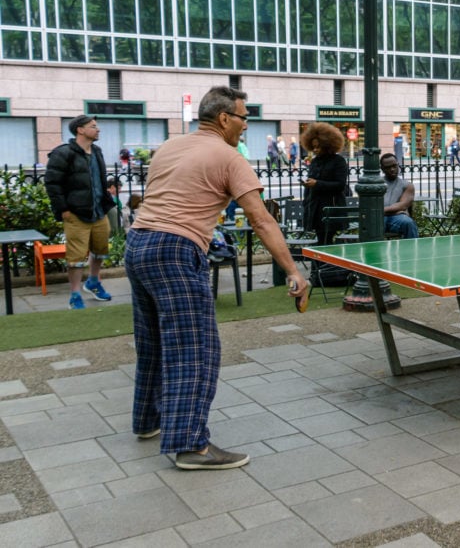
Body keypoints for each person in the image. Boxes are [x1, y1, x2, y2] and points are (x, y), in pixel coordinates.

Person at [126, 86, 308, 471]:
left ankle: (149, 420)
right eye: (244, 118)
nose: (245, 126)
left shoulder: (170, 147)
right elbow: (261, 219)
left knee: (153, 340)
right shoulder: (229, 156)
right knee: (195, 349)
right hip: (175, 249)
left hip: (137, 244)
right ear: (224, 118)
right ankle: (191, 446)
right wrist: (292, 270)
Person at [44, 115, 117, 310]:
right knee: (76, 259)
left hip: (98, 211)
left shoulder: (97, 151)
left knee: (101, 251)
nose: (98, 129)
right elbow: (52, 183)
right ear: (80, 130)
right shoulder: (63, 153)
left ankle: (93, 281)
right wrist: (63, 210)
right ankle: (75, 294)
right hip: (75, 214)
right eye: (93, 126)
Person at [300, 123, 349, 245]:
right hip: (315, 207)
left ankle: (323, 263)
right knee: (321, 239)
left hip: (331, 207)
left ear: (327, 145)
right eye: (313, 147)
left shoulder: (339, 161)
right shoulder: (315, 161)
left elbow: (340, 185)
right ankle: (320, 263)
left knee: (326, 239)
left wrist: (317, 184)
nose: (315, 150)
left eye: (318, 147)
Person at [381, 152, 418, 238]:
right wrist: (396, 210)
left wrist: (383, 210)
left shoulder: (407, 185)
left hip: (396, 218)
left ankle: (412, 250)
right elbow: (373, 208)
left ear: (398, 165)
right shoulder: (376, 184)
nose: (392, 169)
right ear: (382, 169)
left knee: (408, 223)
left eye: (394, 166)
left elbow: (402, 205)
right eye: (388, 167)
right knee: (373, 225)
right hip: (379, 218)